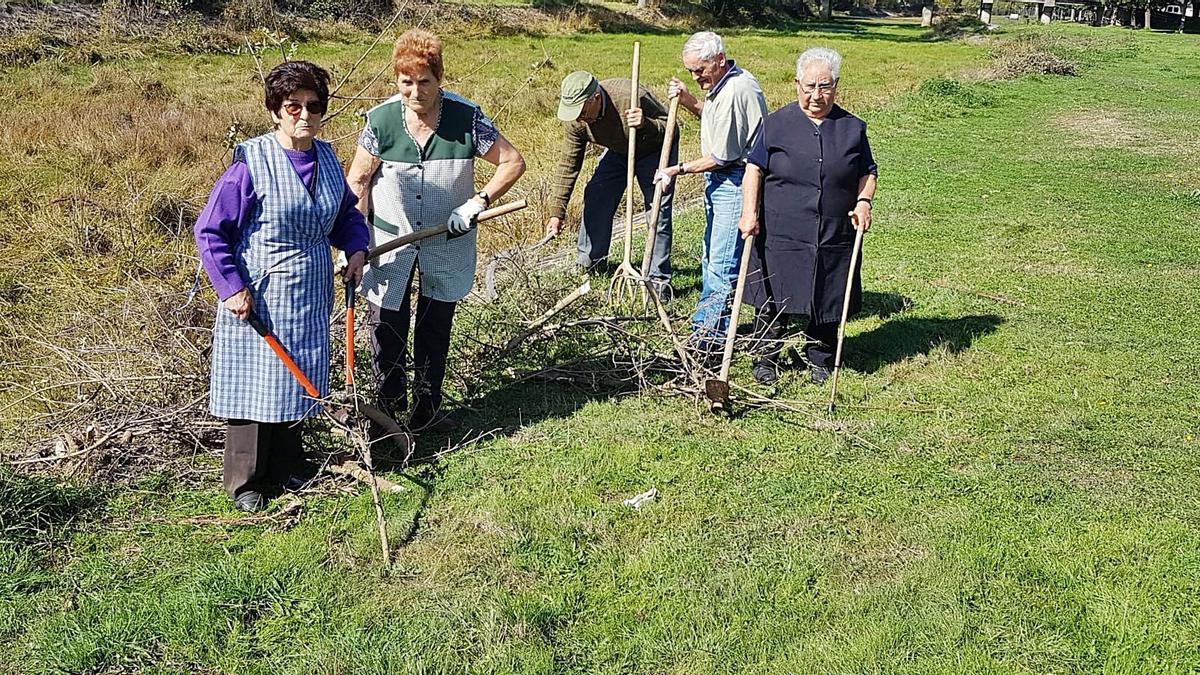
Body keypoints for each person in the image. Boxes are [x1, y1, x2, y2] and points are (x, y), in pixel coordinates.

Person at [194, 61, 370, 513]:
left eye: (313, 106)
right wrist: (231, 288)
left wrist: (355, 249)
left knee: (300, 378)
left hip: (309, 292)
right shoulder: (250, 162)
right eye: (293, 106)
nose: (304, 115)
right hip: (259, 294)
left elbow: (346, 215)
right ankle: (246, 480)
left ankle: (290, 465)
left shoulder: (328, 158)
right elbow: (210, 231)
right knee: (256, 383)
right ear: (276, 110)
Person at [346, 29, 525, 433]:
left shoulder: (466, 117)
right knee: (387, 324)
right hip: (390, 241)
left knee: (435, 320)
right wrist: (354, 242)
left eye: (424, 81)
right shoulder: (381, 120)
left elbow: (512, 162)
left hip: (448, 238)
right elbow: (357, 181)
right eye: (405, 82)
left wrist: (478, 201)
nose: (414, 92)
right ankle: (387, 411)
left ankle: (427, 409)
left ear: (439, 78)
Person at [736, 47, 878, 385]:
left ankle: (820, 358)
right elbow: (754, 169)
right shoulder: (775, 125)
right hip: (781, 228)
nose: (817, 95)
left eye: (824, 86)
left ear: (836, 86)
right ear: (797, 84)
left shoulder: (852, 128)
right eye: (809, 86)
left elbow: (868, 171)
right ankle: (766, 358)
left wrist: (863, 202)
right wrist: (748, 213)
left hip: (833, 228)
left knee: (828, 294)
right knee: (772, 294)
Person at [654, 32, 766, 349]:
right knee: (711, 259)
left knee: (720, 265)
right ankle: (711, 329)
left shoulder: (735, 91)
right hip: (723, 180)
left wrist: (677, 169)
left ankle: (707, 340)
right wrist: (689, 99)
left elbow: (721, 158)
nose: (695, 76)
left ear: (718, 60)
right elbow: (713, 118)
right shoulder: (725, 83)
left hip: (734, 180)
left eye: (699, 70)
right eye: (690, 71)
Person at [547, 71, 678, 299]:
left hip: (653, 150)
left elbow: (672, 127)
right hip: (619, 151)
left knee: (657, 208)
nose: (579, 117)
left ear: (596, 98)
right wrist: (556, 213)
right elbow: (568, 165)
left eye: (582, 111)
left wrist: (645, 124)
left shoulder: (630, 96)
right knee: (597, 194)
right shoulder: (576, 122)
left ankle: (658, 281)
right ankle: (591, 262)